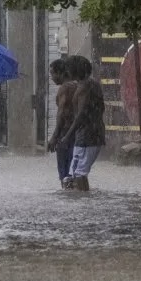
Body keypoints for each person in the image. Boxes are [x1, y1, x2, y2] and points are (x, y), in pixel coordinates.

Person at [59, 55, 106, 191]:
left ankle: (85, 204)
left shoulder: (85, 87)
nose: (66, 71)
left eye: (68, 68)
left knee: (79, 174)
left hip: (87, 136)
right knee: (77, 173)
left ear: (74, 69)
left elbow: (81, 115)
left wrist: (67, 136)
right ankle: (84, 203)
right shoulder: (92, 84)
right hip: (91, 134)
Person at [46, 58, 77, 189]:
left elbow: (62, 113)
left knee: (64, 174)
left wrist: (54, 136)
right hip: (77, 134)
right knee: (74, 172)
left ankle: (67, 195)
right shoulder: (77, 85)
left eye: (52, 73)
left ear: (61, 73)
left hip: (65, 135)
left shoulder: (65, 88)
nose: (51, 77)